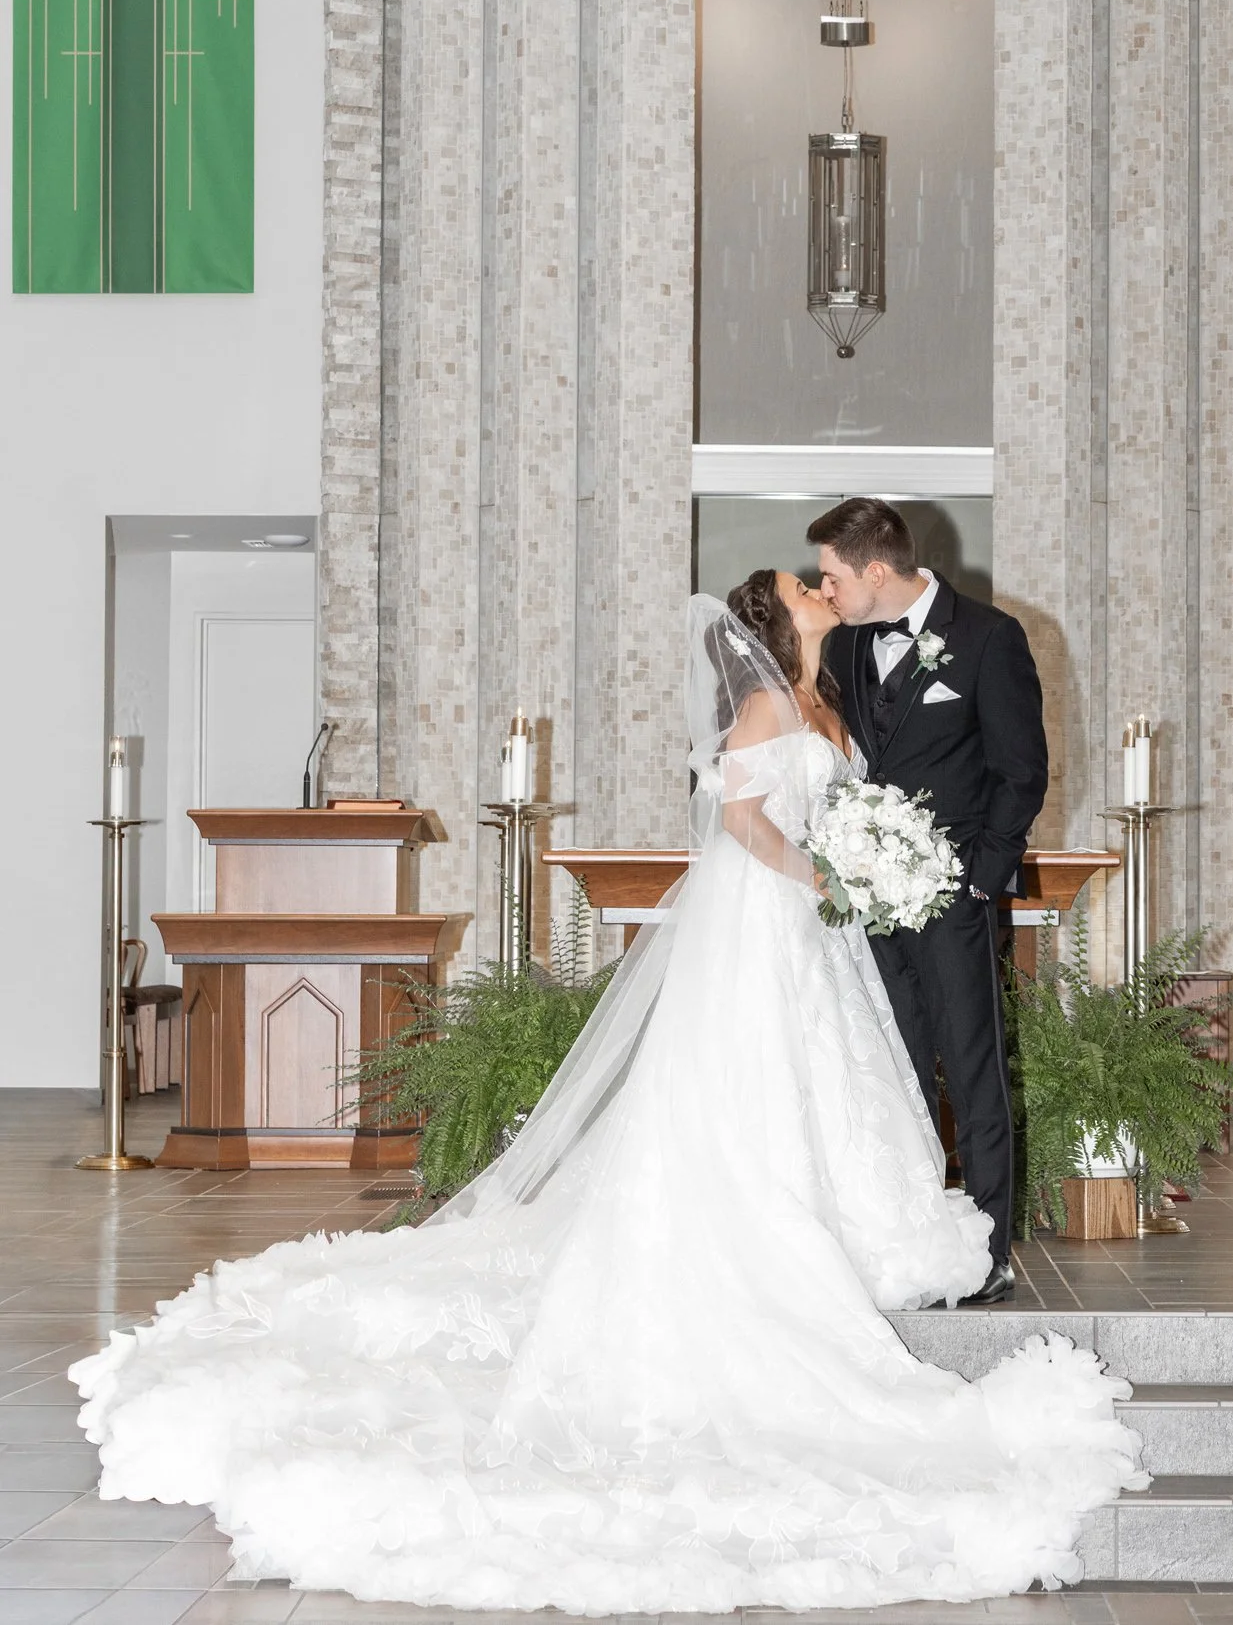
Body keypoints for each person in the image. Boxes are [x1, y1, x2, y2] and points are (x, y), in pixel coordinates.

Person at [72, 579, 1144, 1614]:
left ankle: (833, 1224)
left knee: (831, 1078)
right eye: (802, 585)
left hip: (820, 935)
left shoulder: (829, 691)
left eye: (822, 579)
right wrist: (822, 873)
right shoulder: (768, 702)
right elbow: (740, 822)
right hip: (768, 922)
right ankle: (748, 1233)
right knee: (755, 1078)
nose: (820, 590)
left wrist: (862, 855)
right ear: (778, 617)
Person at [811, 497, 1048, 1305]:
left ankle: (986, 1250)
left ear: (876, 570)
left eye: (832, 577)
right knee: (895, 1065)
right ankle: (912, 1242)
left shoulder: (988, 637)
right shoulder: (841, 648)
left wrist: (980, 876)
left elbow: (1021, 770)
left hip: (953, 893)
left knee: (971, 1067)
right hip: (866, 902)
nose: (826, 591)